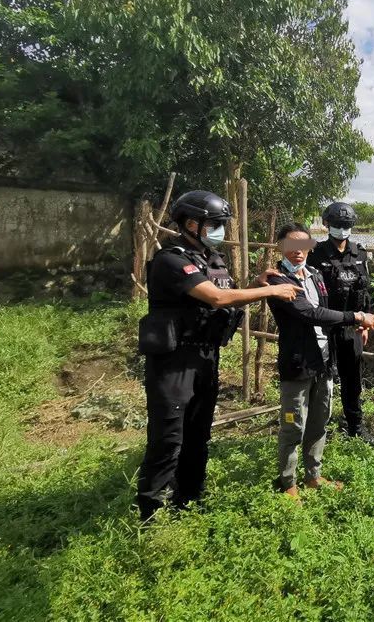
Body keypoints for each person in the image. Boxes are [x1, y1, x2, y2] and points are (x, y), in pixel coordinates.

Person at [136, 190, 302, 522]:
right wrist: (270, 290)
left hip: (206, 358)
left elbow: (228, 292)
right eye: (214, 224)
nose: (219, 230)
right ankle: (152, 512)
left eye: (221, 224)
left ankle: (190, 498)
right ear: (191, 223)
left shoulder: (211, 259)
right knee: (169, 437)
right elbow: (217, 298)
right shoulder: (172, 259)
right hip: (173, 363)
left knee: (198, 432)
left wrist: (258, 282)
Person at [266, 223, 374, 499]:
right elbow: (311, 313)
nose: (297, 251)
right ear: (280, 247)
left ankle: (313, 476)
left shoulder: (316, 275)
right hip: (298, 362)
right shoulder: (277, 281)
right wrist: (355, 317)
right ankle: (288, 483)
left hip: (324, 359)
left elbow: (330, 308)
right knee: (293, 425)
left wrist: (357, 323)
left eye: (303, 245)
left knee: (319, 422)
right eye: (290, 246)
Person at [307, 202, 374, 443]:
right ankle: (315, 430)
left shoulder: (360, 253)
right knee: (319, 379)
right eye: (337, 224)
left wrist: (364, 322)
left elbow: (365, 290)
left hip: (352, 326)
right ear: (327, 224)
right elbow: (286, 246)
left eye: (346, 225)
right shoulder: (313, 251)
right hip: (323, 326)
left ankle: (355, 427)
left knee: (352, 380)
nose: (342, 229)